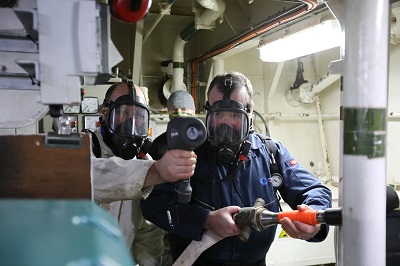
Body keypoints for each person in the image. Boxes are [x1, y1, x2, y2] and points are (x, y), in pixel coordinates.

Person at [141, 72, 332, 265]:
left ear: (250, 112)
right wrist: (205, 220)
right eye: (219, 114)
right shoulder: (186, 153)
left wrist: (313, 217)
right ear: (207, 111)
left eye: (234, 115)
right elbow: (153, 204)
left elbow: (315, 190)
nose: (226, 124)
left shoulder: (271, 152)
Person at [91, 81, 197, 266]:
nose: (132, 122)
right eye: (123, 112)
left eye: (139, 115)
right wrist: (156, 170)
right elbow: (95, 178)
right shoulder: (85, 146)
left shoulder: (144, 161)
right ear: (106, 113)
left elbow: (148, 231)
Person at [148, 90, 196, 266]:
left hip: (198, 215)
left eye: (185, 111)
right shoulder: (159, 145)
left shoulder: (202, 142)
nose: (180, 115)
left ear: (194, 112)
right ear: (168, 113)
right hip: (166, 218)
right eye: (175, 112)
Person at [149, 90, 196, 160]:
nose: (179, 113)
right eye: (174, 110)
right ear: (169, 112)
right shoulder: (159, 143)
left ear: (193, 111)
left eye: (183, 109)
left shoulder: (202, 141)